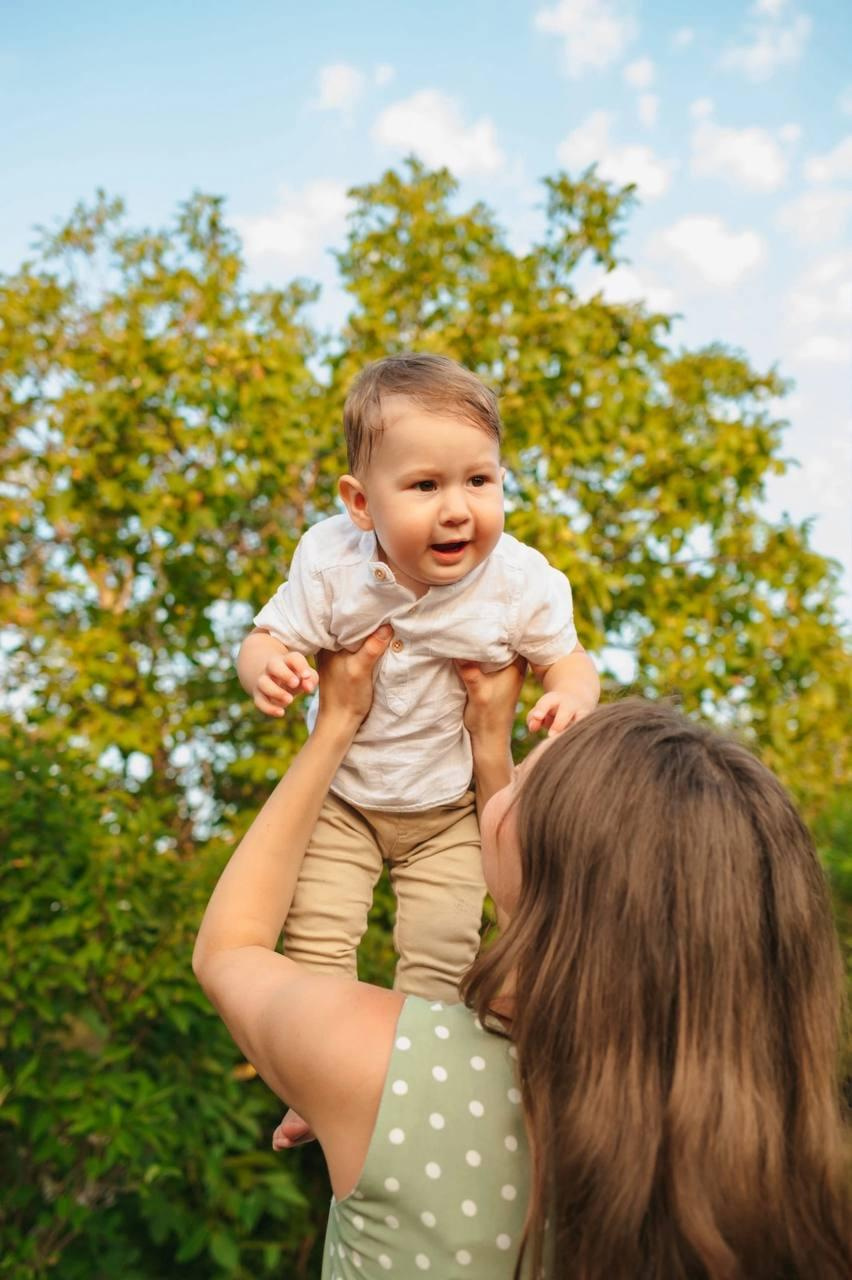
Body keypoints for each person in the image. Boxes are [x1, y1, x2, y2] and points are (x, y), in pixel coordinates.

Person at [194, 631, 851, 1279]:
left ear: (538, 854)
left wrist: (333, 727)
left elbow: (230, 950)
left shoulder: (383, 1063)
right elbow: (565, 942)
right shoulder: (784, 1157)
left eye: (526, 779)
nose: (504, 787)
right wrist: (487, 745)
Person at [237, 352, 599, 1006]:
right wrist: (268, 668)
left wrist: (569, 694)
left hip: (449, 811)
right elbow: (266, 637)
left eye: (479, 481)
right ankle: (314, 1083)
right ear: (360, 503)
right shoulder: (330, 564)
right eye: (426, 486)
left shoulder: (517, 581)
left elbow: (568, 658)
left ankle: (420, 1073)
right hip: (342, 800)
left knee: (441, 956)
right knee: (316, 942)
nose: (458, 509)